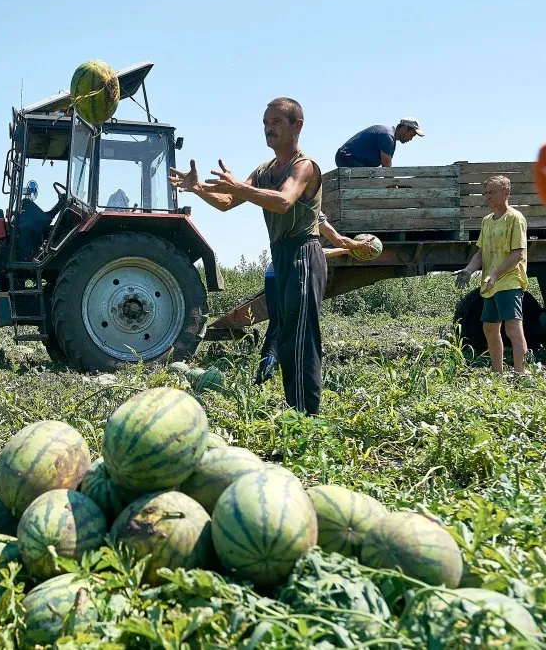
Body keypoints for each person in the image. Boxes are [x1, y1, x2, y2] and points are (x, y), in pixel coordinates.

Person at [169, 97, 326, 415]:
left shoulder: (304, 166)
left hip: (303, 254)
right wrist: (198, 188)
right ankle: (294, 412)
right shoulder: (265, 170)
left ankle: (308, 417)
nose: (269, 128)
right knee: (282, 336)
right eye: (265, 123)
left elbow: (283, 201)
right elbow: (228, 200)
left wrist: (240, 188)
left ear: (297, 126)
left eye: (276, 122)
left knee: (301, 338)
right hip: (281, 255)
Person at [255, 214, 377, 384]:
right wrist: (356, 246)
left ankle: (273, 370)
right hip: (285, 272)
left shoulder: (300, 215)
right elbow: (336, 240)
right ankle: (266, 373)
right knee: (280, 325)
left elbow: (318, 251)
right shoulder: (309, 211)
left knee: (283, 324)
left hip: (276, 271)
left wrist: (347, 250)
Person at [454, 176, 528, 375]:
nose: (487, 197)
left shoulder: (515, 218)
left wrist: (495, 274)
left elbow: (517, 254)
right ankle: (498, 373)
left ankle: (521, 374)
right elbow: (480, 253)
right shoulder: (487, 221)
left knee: (513, 329)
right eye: (485, 193)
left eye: (492, 192)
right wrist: (469, 270)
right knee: (490, 328)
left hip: (509, 281)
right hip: (490, 284)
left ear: (506, 193)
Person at [334, 118, 425, 168]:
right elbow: (386, 167)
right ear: (405, 128)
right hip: (347, 157)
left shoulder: (390, 137)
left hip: (350, 158)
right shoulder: (387, 136)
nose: (411, 139)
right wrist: (392, 185)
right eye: (411, 135)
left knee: (371, 179)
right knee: (368, 181)